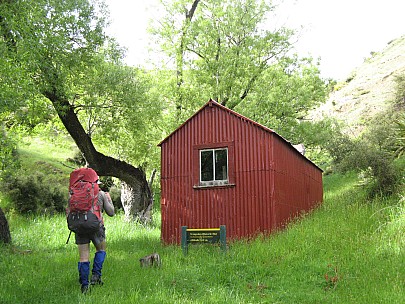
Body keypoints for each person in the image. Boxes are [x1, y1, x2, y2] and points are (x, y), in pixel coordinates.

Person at [76, 180, 115, 294]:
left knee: (83, 257)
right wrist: (109, 199)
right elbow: (111, 212)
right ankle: (96, 276)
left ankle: (84, 285)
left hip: (80, 227)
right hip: (96, 227)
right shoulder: (101, 194)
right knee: (101, 250)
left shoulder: (75, 193)